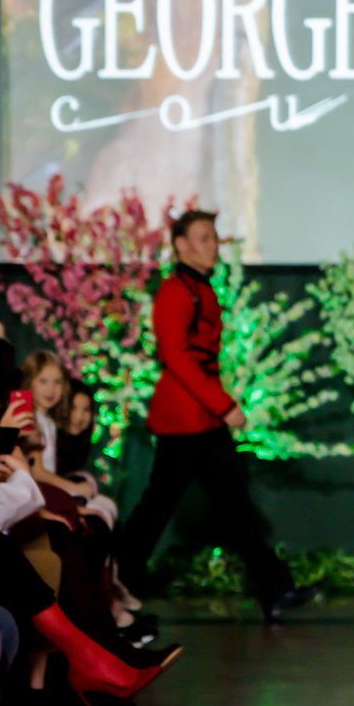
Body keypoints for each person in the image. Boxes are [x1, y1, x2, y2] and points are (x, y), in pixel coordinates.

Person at [119, 212, 310, 622]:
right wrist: (224, 405)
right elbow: (177, 357)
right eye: (204, 238)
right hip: (184, 420)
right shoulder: (176, 291)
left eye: (214, 238)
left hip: (203, 420)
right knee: (158, 508)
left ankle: (276, 590)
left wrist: (218, 407)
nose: (213, 245)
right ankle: (113, 587)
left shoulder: (199, 289)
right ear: (181, 245)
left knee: (234, 506)